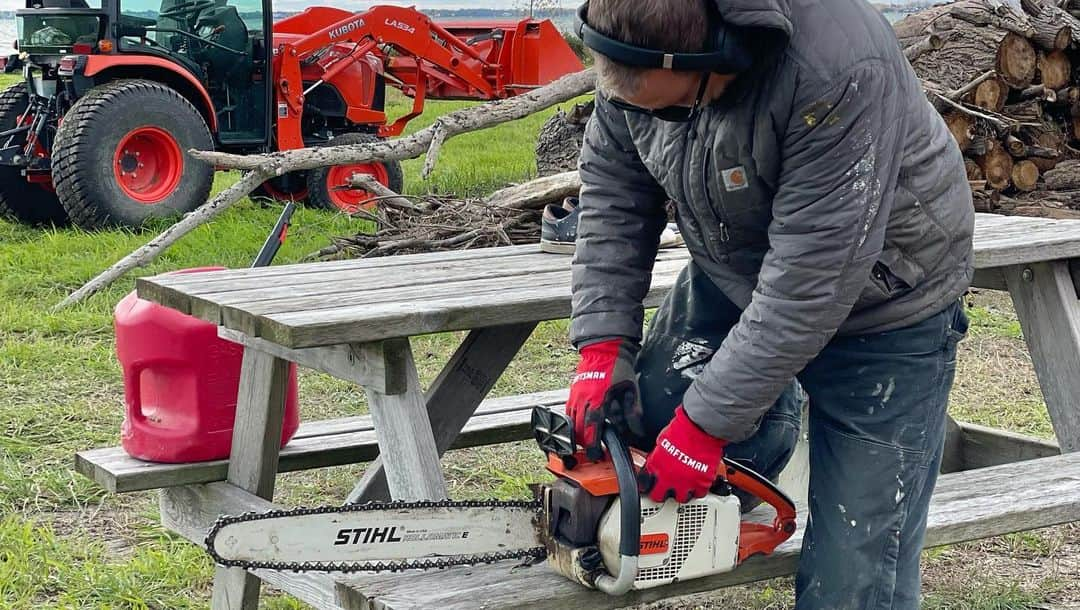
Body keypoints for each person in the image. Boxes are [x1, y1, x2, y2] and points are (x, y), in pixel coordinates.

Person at [562, 0, 974, 607]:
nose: (652, 118)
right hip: (738, 269)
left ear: (721, 56)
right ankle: (763, 436)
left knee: (854, 581)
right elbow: (615, 193)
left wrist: (706, 426)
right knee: (644, 420)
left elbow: (810, 281)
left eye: (671, 109)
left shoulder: (837, 66)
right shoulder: (635, 47)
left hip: (883, 299)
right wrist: (601, 345)